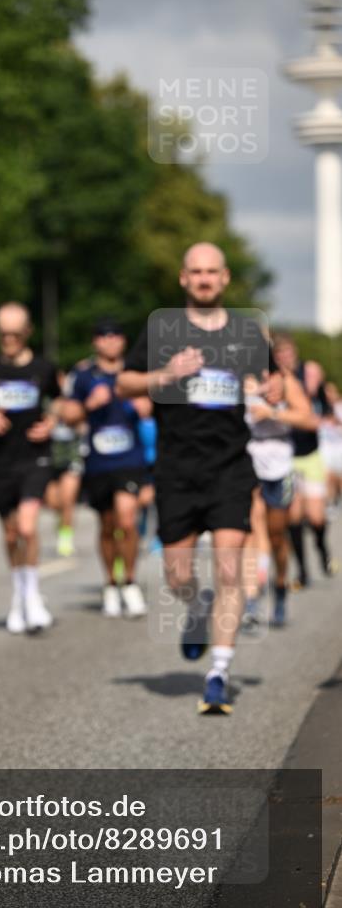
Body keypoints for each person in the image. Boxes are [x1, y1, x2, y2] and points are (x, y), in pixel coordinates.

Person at [119, 242, 280, 715]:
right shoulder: (163, 329)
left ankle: (218, 672)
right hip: (177, 469)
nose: (205, 278)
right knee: (178, 573)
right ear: (184, 279)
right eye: (197, 272)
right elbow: (125, 382)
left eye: (212, 271)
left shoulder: (247, 332)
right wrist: (165, 373)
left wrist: (271, 386)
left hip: (230, 466)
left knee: (231, 567)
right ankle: (196, 607)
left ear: (224, 278)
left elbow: (273, 381)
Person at [0, 302, 62, 633]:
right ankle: (18, 597)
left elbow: (61, 400)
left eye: (15, 335)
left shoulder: (44, 368)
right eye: (4, 335)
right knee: (9, 533)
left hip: (36, 457)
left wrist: (52, 421)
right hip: (2, 461)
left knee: (27, 526)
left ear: (28, 332)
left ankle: (33, 596)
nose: (9, 341)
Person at [63, 317, 150, 618]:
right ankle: (110, 584)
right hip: (98, 461)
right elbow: (67, 414)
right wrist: (89, 404)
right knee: (108, 525)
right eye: (103, 335)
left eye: (115, 335)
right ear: (95, 341)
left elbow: (154, 407)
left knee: (128, 520)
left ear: (123, 341)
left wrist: (144, 406)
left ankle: (130, 581)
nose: (110, 341)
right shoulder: (84, 374)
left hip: (130, 459)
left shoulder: (134, 373)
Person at [242, 370, 314, 628]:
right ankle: (251, 596)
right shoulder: (239, 377)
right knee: (249, 529)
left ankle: (280, 584)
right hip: (248, 461)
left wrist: (272, 412)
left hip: (280, 466)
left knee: (276, 535)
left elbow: (309, 420)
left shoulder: (287, 382)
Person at [272, 335, 336, 586]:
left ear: (294, 352)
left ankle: (323, 551)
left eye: (288, 352)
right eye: (280, 354)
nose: (285, 358)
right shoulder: (273, 380)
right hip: (286, 456)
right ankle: (302, 571)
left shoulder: (307, 375)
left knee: (317, 517)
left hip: (310, 454)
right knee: (294, 518)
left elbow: (324, 411)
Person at [44, 369, 84, 558]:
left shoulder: (75, 400)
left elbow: (83, 424)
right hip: (51, 455)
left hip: (71, 455)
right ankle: (60, 522)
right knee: (53, 502)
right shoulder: (47, 401)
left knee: (68, 499)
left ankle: (65, 538)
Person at [320, 381, 342, 511]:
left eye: (331, 391)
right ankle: (331, 503)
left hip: (339, 448)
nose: (329, 395)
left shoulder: (340, 407)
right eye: (327, 392)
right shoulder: (321, 407)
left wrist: (337, 422)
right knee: (327, 477)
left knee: (339, 477)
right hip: (325, 449)